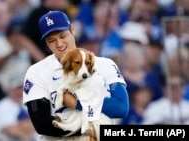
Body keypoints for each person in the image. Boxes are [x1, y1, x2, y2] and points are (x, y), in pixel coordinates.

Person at [22, 10, 129, 141]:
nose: (59, 44)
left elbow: (121, 107)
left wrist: (77, 103)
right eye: (51, 40)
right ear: (46, 43)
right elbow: (42, 125)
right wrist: (88, 130)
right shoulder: (37, 72)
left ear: (73, 30)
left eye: (62, 36)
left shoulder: (105, 64)